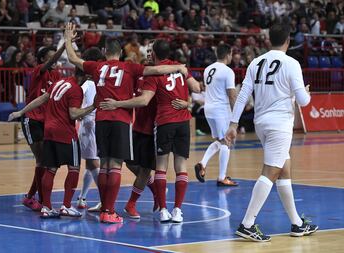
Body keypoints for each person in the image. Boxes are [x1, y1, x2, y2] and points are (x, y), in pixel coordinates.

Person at [64, 23, 189, 224]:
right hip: (121, 120)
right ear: (121, 52)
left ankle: (106, 207)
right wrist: (178, 67)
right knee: (115, 166)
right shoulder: (130, 68)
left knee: (104, 165)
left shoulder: (96, 67)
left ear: (104, 52)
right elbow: (158, 70)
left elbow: (72, 58)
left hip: (101, 120)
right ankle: (109, 211)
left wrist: (68, 38)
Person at [225, 22, 318, 242]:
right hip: (279, 125)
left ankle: (296, 223)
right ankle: (247, 224)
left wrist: (233, 124)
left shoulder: (256, 62)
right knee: (271, 172)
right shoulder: (291, 63)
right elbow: (303, 102)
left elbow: (243, 93)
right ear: (288, 41)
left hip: (261, 123)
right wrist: (303, 93)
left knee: (284, 170)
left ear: (269, 40)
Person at [100, 39, 201, 223]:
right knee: (129, 162)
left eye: (150, 52)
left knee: (146, 169)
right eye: (145, 52)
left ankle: (133, 203)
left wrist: (188, 103)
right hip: (137, 125)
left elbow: (146, 99)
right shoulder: (140, 71)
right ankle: (155, 191)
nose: (147, 55)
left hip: (153, 128)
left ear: (154, 53)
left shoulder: (158, 73)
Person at [9, 69, 96, 218]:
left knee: (50, 169)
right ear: (86, 75)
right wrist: (93, 106)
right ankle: (67, 206)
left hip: (48, 130)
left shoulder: (59, 82)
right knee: (74, 167)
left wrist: (21, 112)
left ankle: (47, 207)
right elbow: (73, 114)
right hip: (65, 132)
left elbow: (41, 99)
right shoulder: (76, 89)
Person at [20, 45, 64, 211]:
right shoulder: (39, 70)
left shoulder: (57, 75)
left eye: (55, 57)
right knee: (42, 160)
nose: (54, 60)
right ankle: (41, 199)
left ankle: (30, 197)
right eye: (50, 57)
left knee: (44, 161)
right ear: (42, 60)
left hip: (47, 121)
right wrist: (65, 45)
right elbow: (51, 61)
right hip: (31, 119)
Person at [194, 43, 238, 187]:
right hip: (221, 109)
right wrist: (235, 116)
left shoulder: (208, 69)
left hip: (209, 108)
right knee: (226, 141)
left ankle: (202, 164)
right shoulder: (228, 71)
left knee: (220, 141)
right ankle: (222, 177)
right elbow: (232, 96)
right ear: (228, 54)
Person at [76, 47, 103, 210]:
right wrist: (79, 111)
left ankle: (82, 198)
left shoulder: (96, 82)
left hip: (94, 124)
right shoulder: (87, 83)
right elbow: (77, 97)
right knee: (93, 163)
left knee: (90, 164)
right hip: (89, 124)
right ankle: (105, 198)